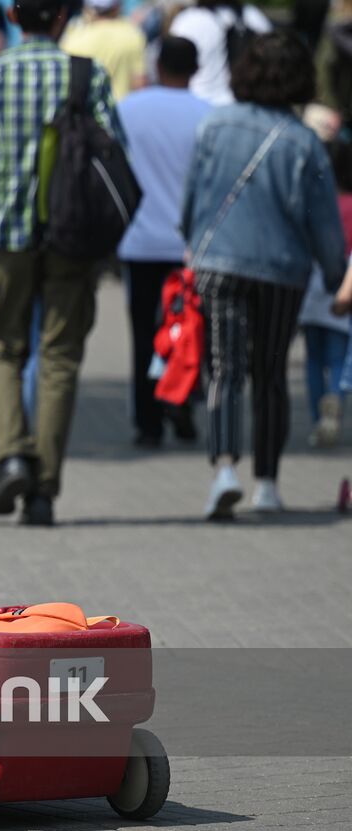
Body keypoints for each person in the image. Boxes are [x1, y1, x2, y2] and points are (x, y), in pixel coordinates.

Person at [0, 0, 123, 527]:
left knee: (4, 349)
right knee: (60, 357)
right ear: (61, 19)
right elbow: (114, 151)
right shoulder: (87, 75)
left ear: (13, 18)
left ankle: (10, 456)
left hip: (5, 236)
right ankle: (44, 489)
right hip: (72, 236)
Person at [181, 32, 347, 519]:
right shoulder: (304, 141)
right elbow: (323, 223)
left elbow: (192, 198)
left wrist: (193, 241)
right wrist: (338, 278)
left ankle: (225, 471)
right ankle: (268, 483)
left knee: (224, 368)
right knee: (270, 373)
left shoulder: (214, 126)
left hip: (218, 261)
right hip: (281, 270)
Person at [117, 36, 210, 448]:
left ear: (157, 65)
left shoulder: (129, 109)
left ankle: (148, 420)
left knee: (143, 332)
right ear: (196, 68)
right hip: (192, 244)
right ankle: (184, 402)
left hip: (139, 239)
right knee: (190, 331)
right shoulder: (210, 116)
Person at [302, 132, 352, 447]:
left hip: (312, 282)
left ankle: (317, 418)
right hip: (343, 282)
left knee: (312, 357)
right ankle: (335, 398)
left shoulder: (316, 204)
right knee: (337, 354)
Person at [169, 0, 271, 106]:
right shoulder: (254, 17)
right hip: (245, 105)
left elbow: (172, 69)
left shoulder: (188, 20)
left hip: (200, 105)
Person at [60, 0, 147, 100]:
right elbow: (140, 85)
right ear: (116, 7)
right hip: (121, 111)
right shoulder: (133, 35)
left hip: (86, 112)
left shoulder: (72, 38)